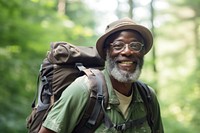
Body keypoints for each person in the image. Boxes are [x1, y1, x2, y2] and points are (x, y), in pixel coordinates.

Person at [39, 17, 164, 133]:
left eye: (135, 46)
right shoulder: (83, 90)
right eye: (118, 45)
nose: (127, 51)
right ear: (106, 52)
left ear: (142, 53)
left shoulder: (148, 97)